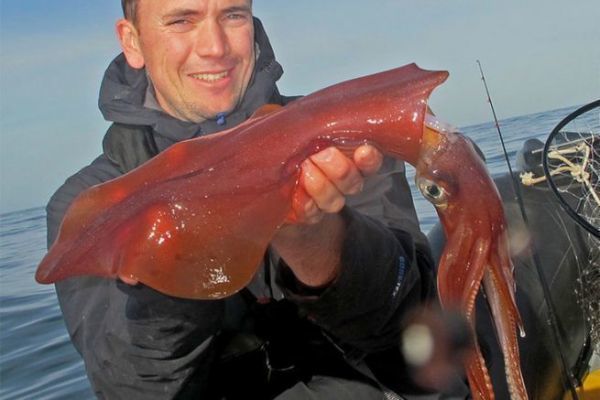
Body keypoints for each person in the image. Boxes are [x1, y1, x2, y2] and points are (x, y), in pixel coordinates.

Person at [47, 0, 441, 398]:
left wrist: (319, 240)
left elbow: (411, 327)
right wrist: (173, 262)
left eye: (233, 15)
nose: (215, 47)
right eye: (182, 20)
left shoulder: (338, 143)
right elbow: (129, 388)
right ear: (133, 42)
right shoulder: (92, 204)